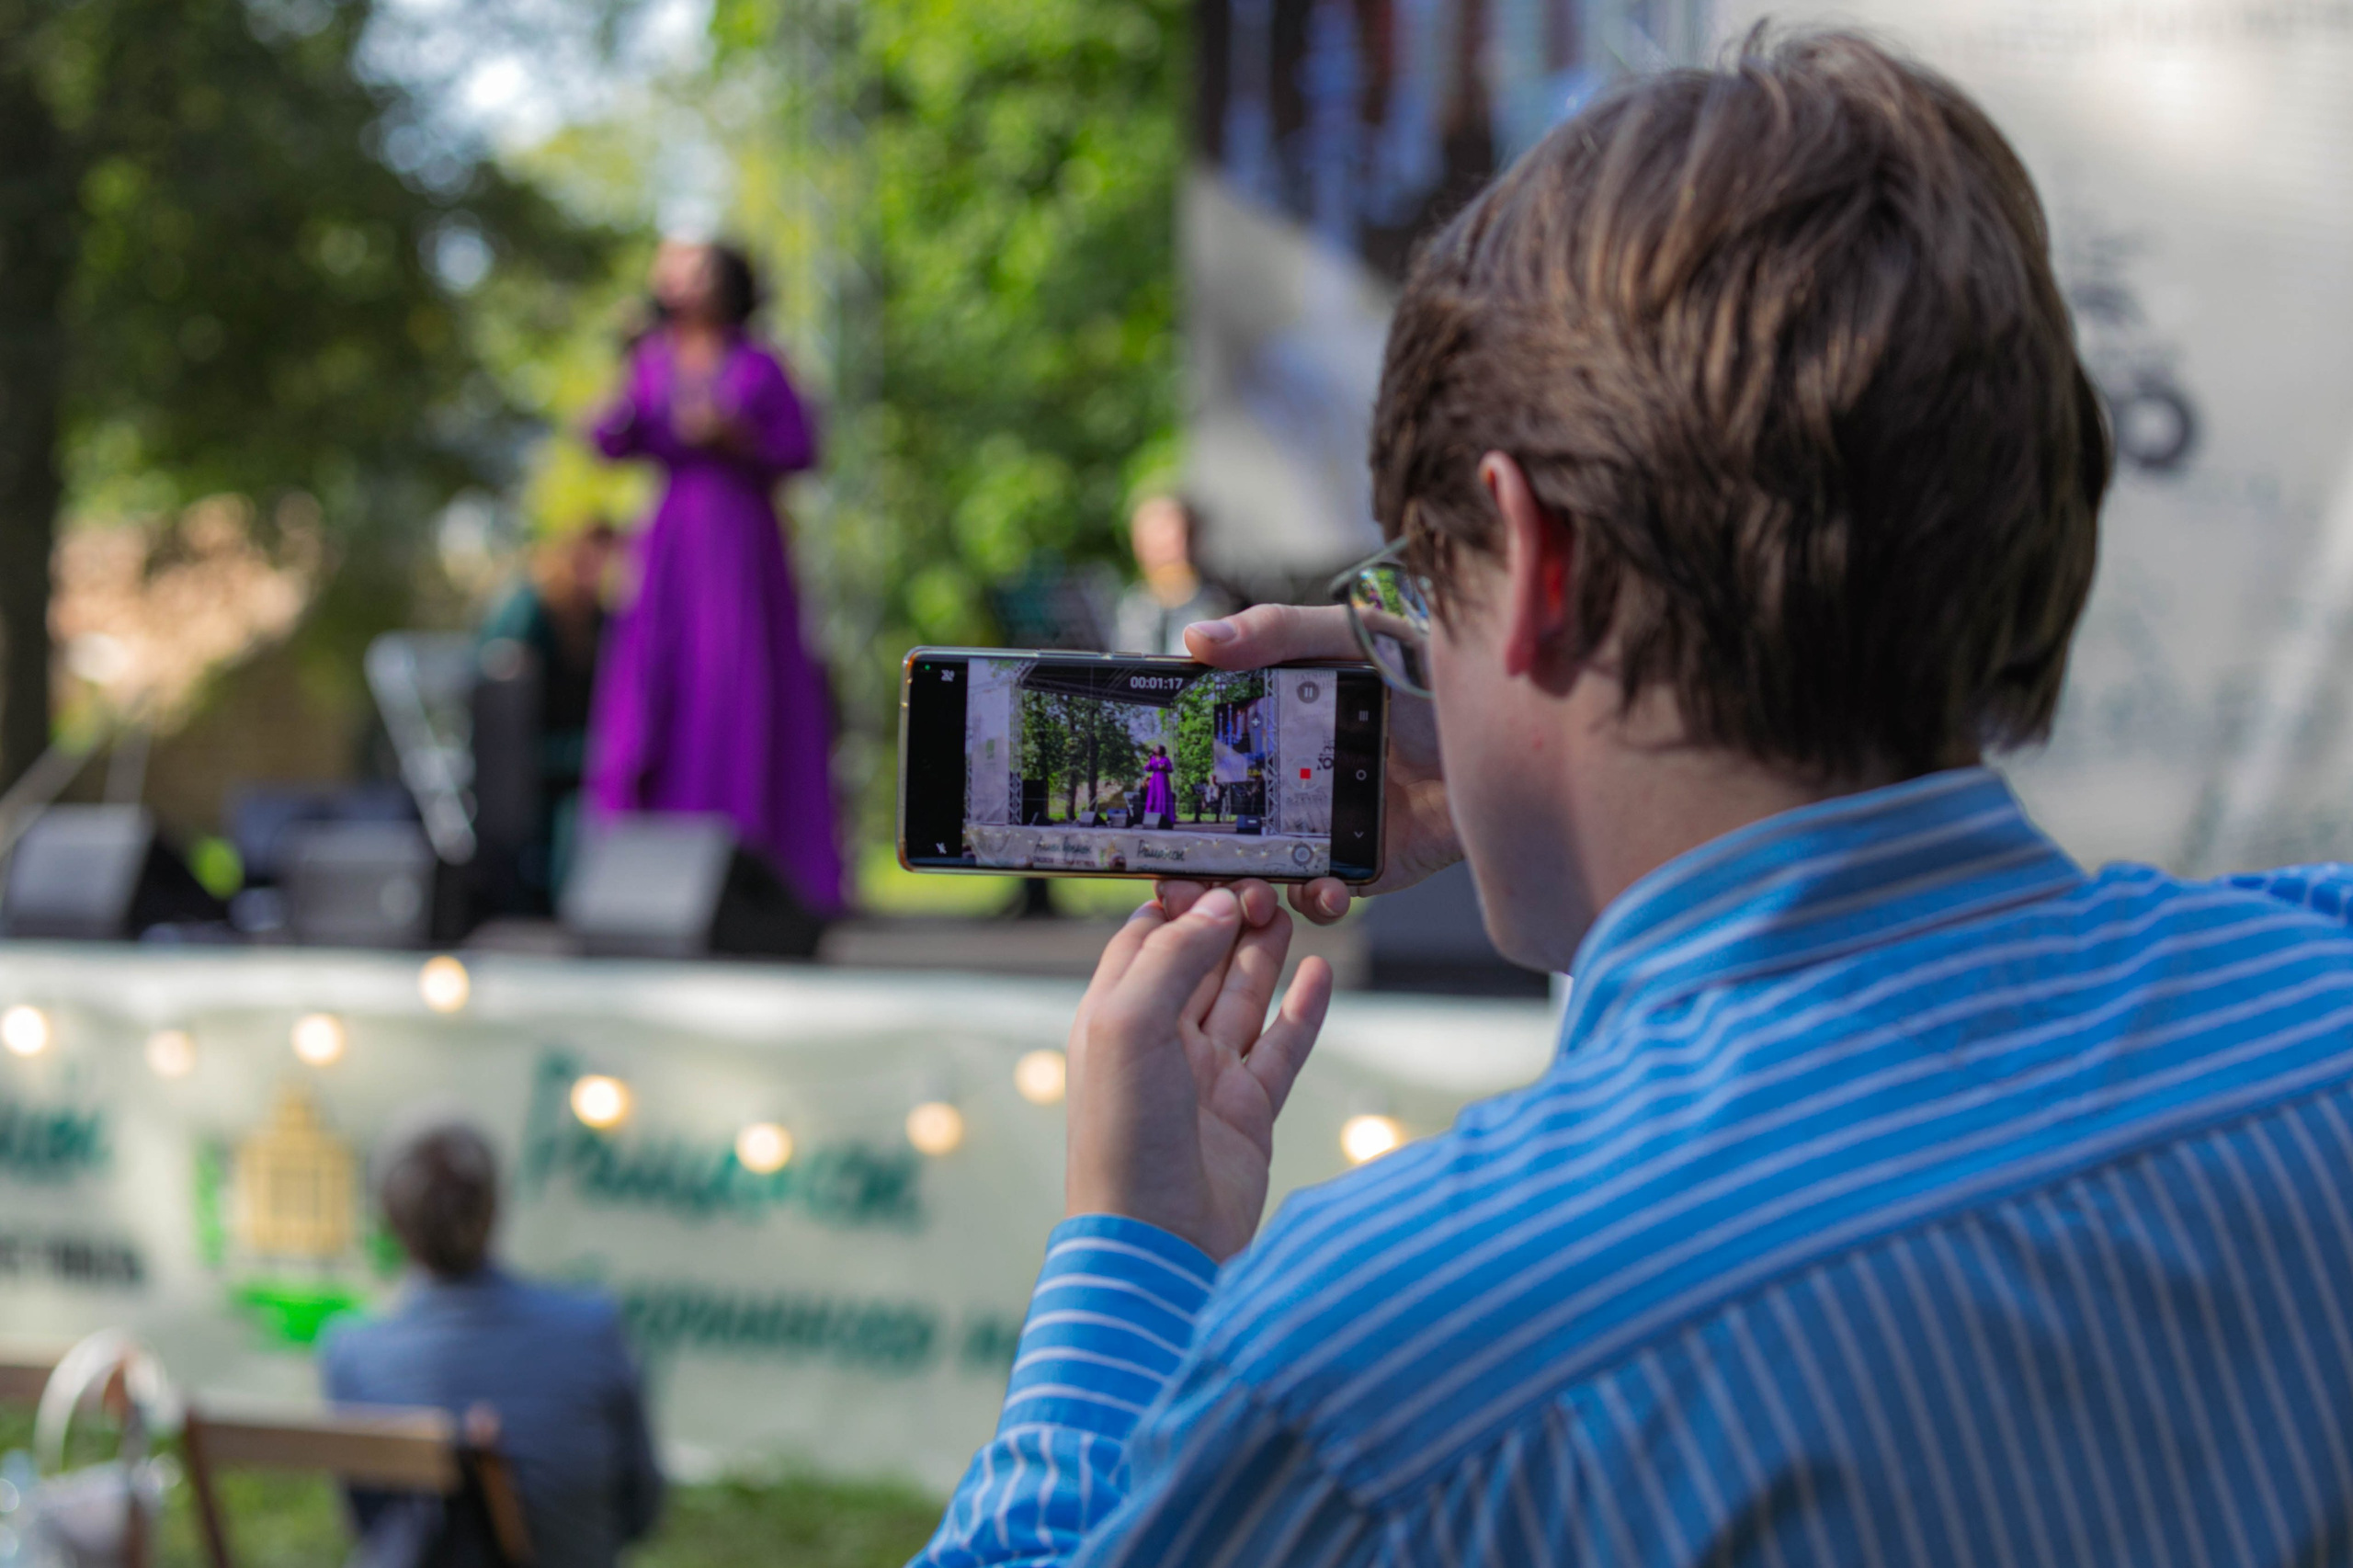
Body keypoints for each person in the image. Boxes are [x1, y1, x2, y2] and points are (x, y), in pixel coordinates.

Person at [914, 31, 2353, 1566]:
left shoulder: (1378, 1379)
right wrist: (1546, 765)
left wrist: (1130, 1262)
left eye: (1421, 587)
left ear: (1533, 565)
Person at [585, 238, 844, 916]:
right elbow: (609, 440)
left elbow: (805, 449)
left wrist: (737, 440)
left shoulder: (760, 362)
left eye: (695, 267)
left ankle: (757, 868)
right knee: (658, 691)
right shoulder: (649, 357)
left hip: (739, 544)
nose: (679, 279)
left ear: (726, 281)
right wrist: (622, 378)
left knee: (739, 686)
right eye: (669, 267)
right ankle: (646, 871)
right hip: (671, 546)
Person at [322, 1114, 663, 1568]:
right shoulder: (594, 1327)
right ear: (495, 1207)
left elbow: (370, 1525)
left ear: (389, 1216)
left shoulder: (352, 1351)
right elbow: (641, 1510)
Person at [477, 521, 619, 911]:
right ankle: (565, 901)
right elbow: (499, 699)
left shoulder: (601, 622)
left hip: (581, 746)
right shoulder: (529, 612)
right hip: (534, 753)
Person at [1113, 494, 1233, 655]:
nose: (1167, 556)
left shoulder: (1216, 603)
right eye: (1156, 546)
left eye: (1173, 542)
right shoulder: (1131, 607)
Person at [1139, 744, 1176, 826]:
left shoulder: (1165, 759)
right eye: (1154, 748)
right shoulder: (1152, 759)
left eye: (1156, 748)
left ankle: (1164, 815)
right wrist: (1148, 763)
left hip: (1162, 779)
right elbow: (1147, 768)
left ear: (1161, 750)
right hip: (1154, 779)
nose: (1155, 749)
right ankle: (1151, 815)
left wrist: (1164, 768)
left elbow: (1170, 769)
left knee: (1161, 795)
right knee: (1153, 795)